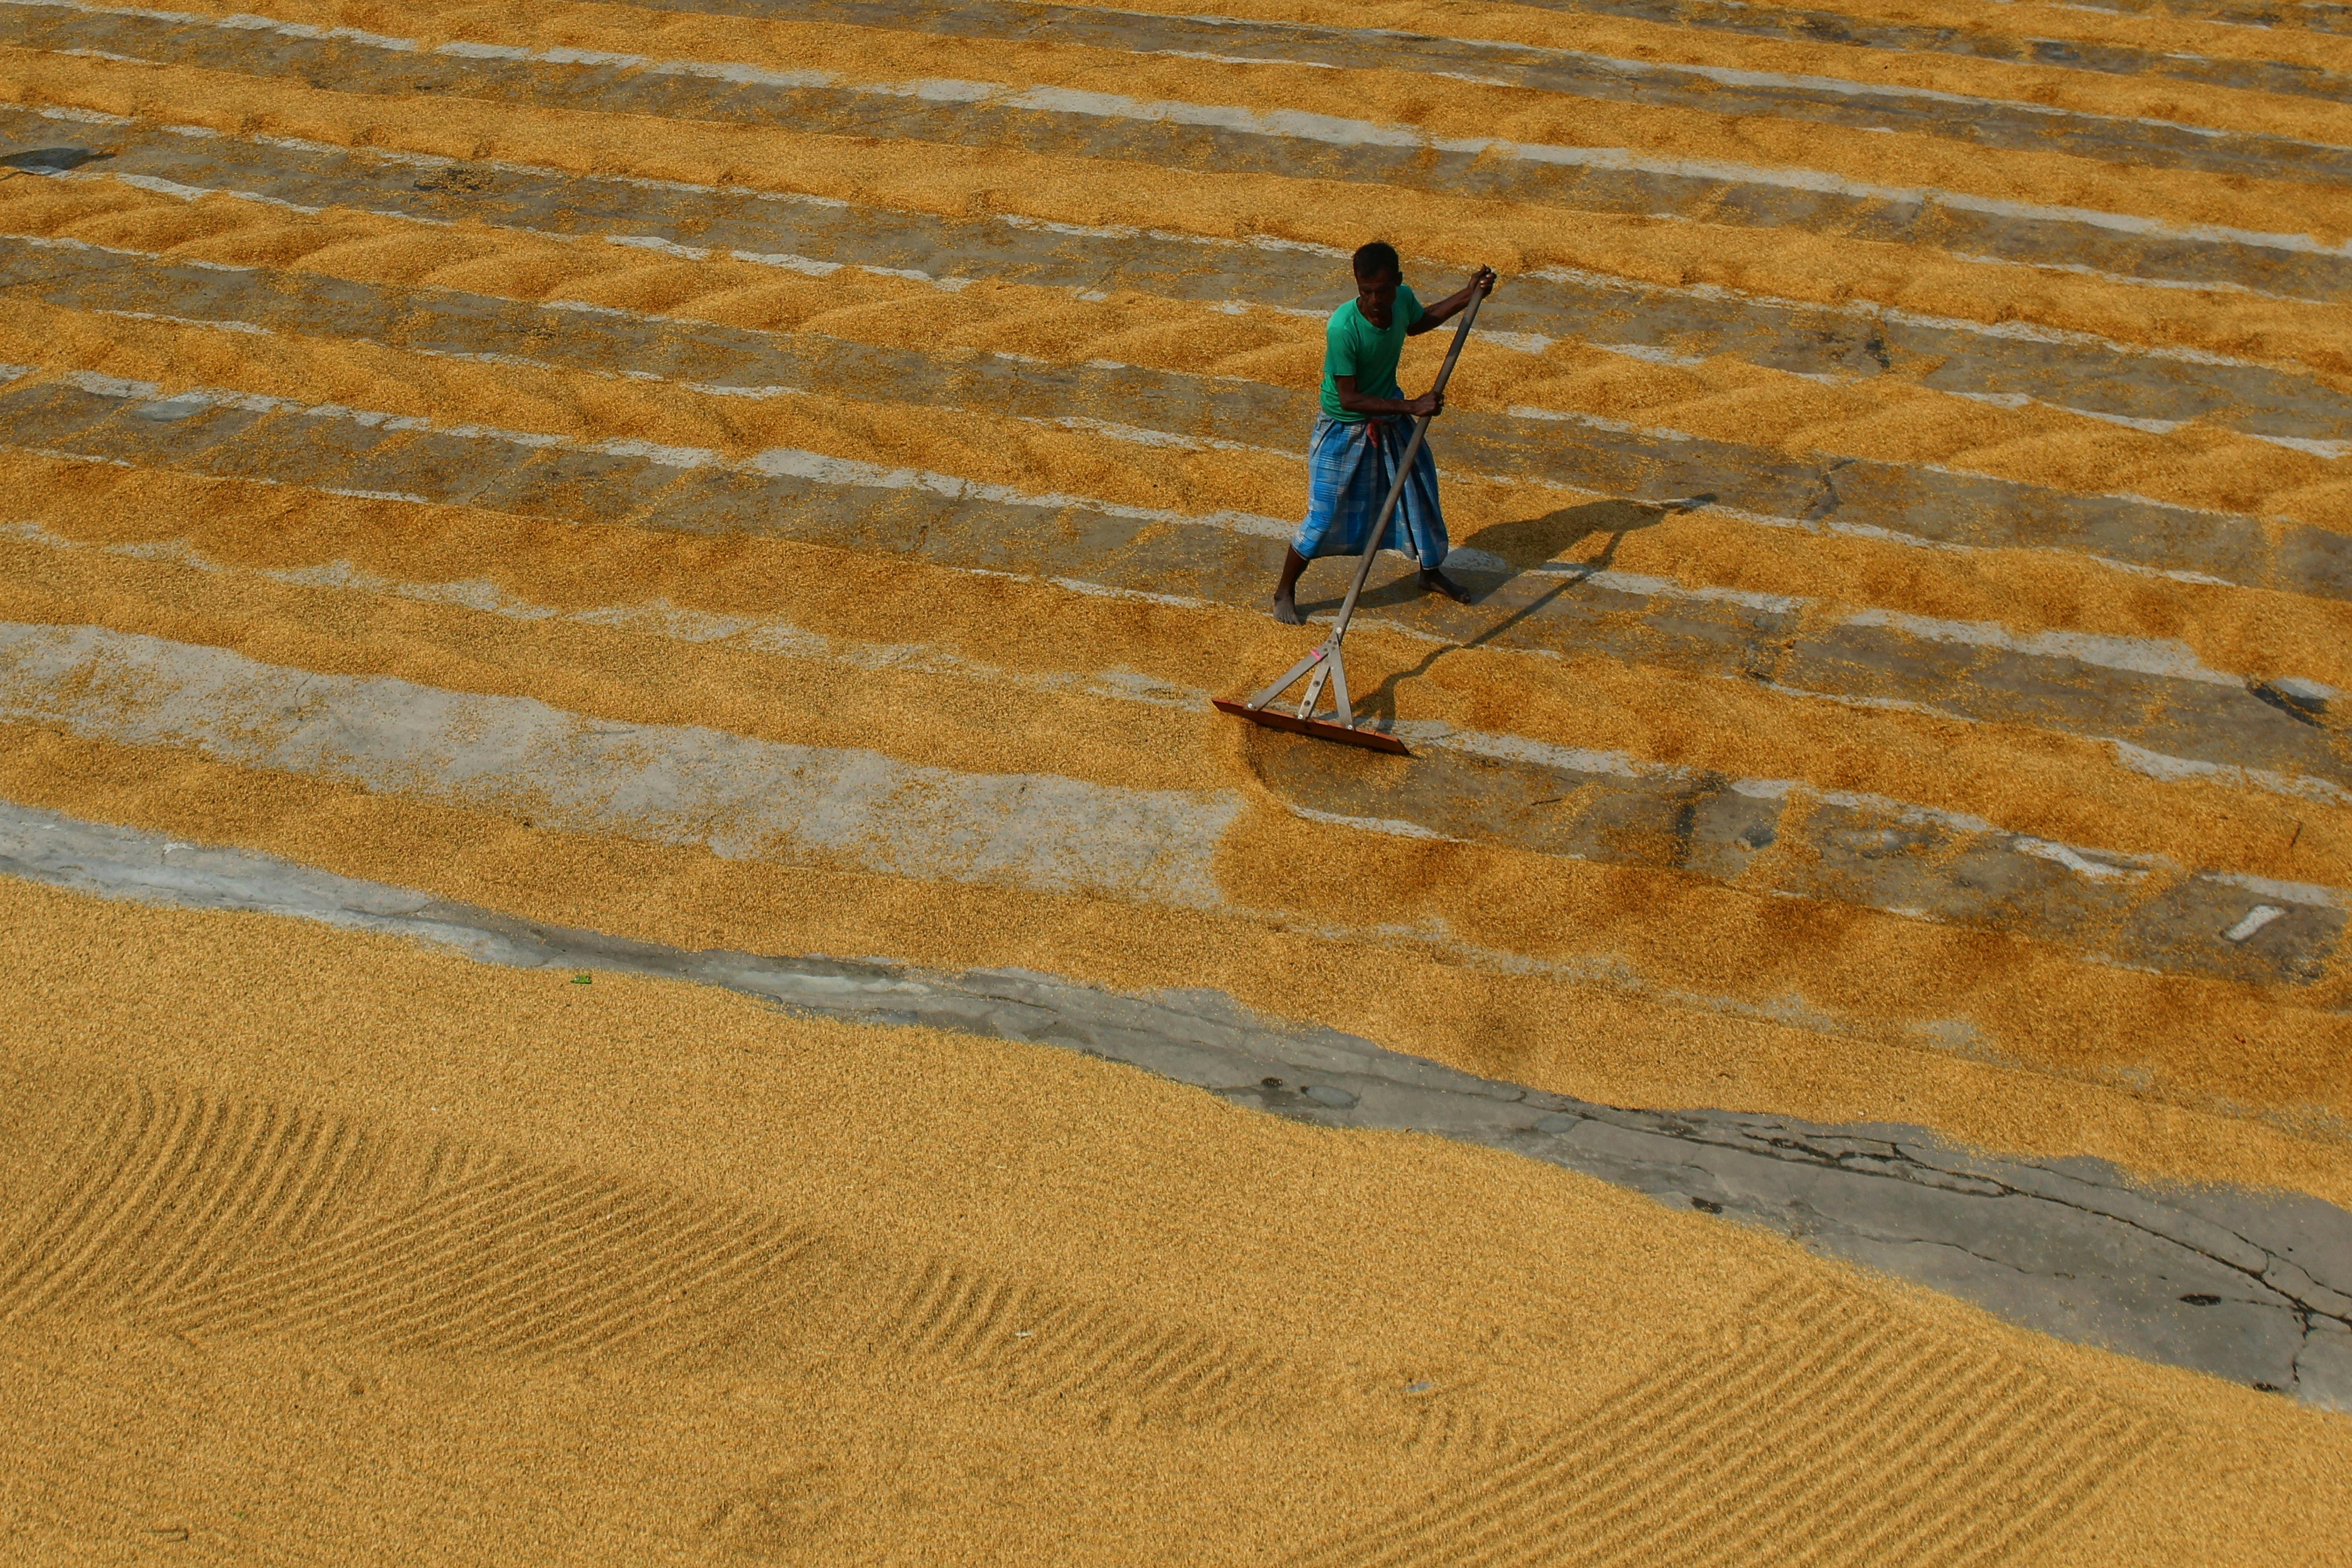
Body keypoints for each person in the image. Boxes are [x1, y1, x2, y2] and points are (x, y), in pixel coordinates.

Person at [1271, 242, 1497, 625]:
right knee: (1324, 514)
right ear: (1357, 286)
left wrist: (1469, 292)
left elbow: (1419, 322)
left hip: (1388, 413)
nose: (1376, 300)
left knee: (1420, 491)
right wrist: (1413, 406)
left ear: (1398, 283)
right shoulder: (1344, 328)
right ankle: (1284, 590)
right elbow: (1350, 397)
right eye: (1366, 291)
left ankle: (1429, 572)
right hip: (1344, 423)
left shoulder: (1402, 300)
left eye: (1383, 291)